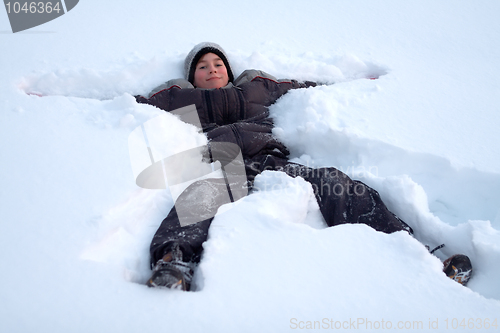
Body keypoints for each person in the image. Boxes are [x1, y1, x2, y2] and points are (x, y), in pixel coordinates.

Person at [135, 42, 472, 291]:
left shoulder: (254, 88)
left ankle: (417, 253)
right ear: (192, 75)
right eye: (203, 66)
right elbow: (131, 109)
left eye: (218, 63)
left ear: (229, 69)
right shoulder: (179, 99)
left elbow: (307, 90)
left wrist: (365, 85)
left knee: (336, 183)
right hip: (224, 164)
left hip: (272, 160)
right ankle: (173, 263)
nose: (212, 69)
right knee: (200, 196)